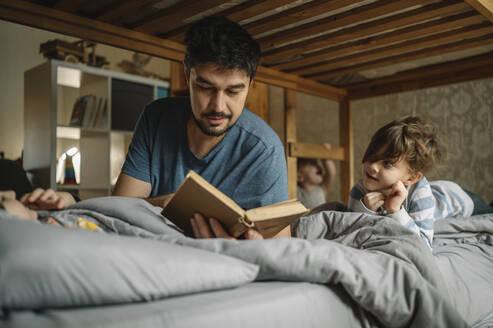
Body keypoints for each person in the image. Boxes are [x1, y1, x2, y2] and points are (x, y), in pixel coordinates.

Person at [112, 16, 288, 239]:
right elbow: (119, 208)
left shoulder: (264, 148)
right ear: (187, 75)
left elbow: (282, 245)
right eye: (205, 87)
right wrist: (169, 204)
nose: (218, 106)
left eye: (233, 92)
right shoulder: (156, 118)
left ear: (250, 85)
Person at [348, 116, 492, 248]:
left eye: (387, 163)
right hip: (437, 189)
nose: (372, 166)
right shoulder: (360, 189)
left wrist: (395, 210)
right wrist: (365, 209)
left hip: (457, 198)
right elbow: (352, 230)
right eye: (373, 155)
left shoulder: (419, 193)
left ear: (411, 178)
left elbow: (424, 245)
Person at [297, 143, 336, 209]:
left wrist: (325, 154)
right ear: (299, 177)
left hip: (322, 218)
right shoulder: (297, 191)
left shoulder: (322, 188)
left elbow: (331, 172)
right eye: (311, 163)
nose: (318, 166)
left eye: (317, 163)